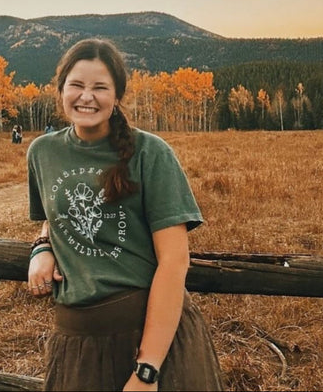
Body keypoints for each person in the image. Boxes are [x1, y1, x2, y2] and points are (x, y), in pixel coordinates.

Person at [26, 38, 223, 391]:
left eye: (100, 87)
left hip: (151, 337)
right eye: (77, 85)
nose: (87, 97)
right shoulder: (43, 153)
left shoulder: (151, 153)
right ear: (61, 90)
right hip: (77, 341)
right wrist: (42, 246)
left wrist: (148, 369)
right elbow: (60, 212)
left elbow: (174, 261)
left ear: (117, 96)